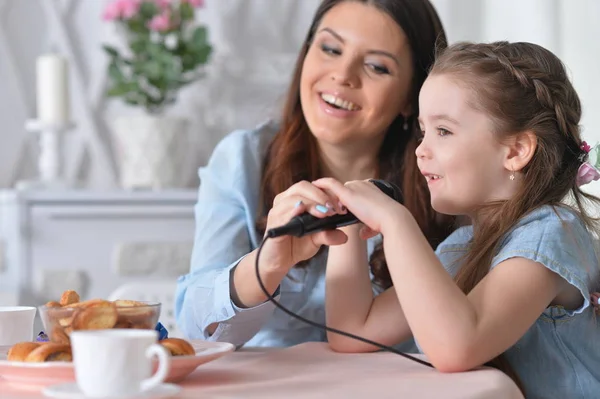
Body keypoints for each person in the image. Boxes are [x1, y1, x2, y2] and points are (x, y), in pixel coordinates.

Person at [313, 41, 600, 398]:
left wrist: (396, 222)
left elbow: (458, 347)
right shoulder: (461, 248)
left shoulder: (551, 233)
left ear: (515, 151)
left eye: (443, 131)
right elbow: (352, 331)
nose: (421, 149)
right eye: (422, 131)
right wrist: (346, 224)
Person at [174, 0, 457, 348]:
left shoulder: (444, 182)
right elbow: (194, 329)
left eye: (376, 67)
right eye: (330, 49)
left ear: (412, 98)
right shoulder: (242, 159)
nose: (343, 75)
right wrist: (266, 266)